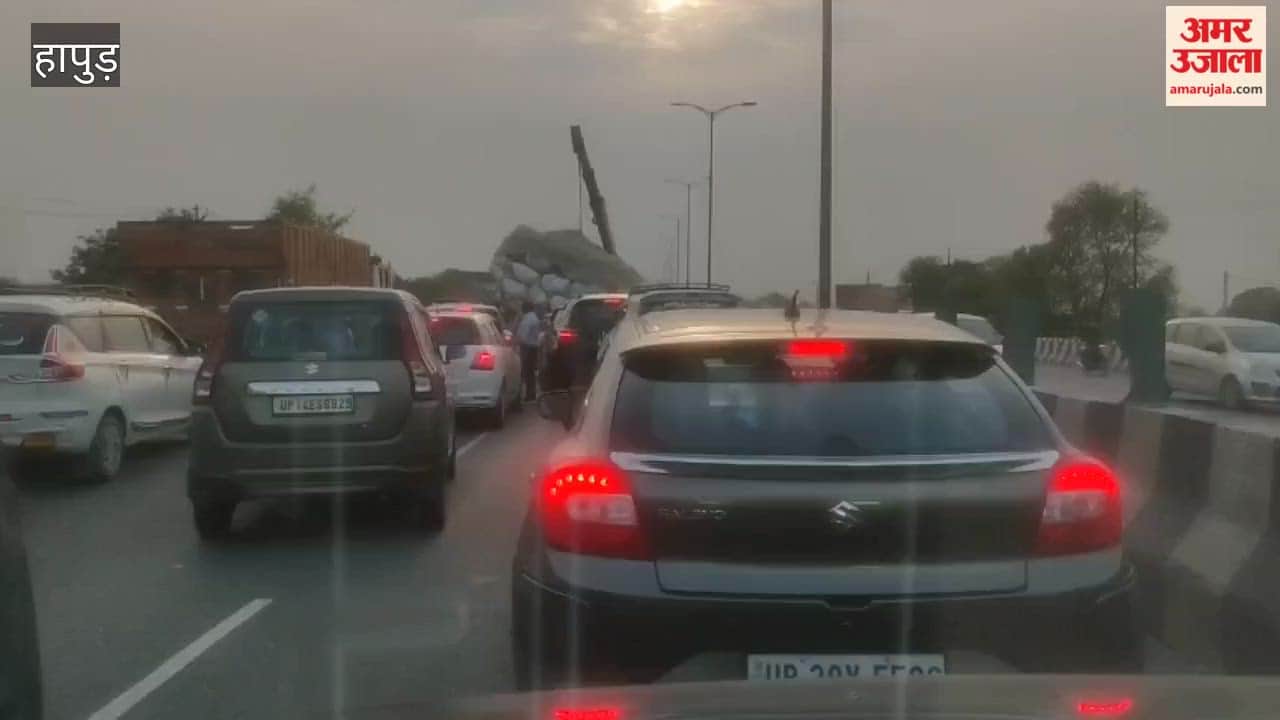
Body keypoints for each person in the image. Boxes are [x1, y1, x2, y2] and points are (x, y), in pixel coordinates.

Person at [515, 302, 542, 402]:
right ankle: (531, 394)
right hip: (533, 348)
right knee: (530, 373)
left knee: (525, 372)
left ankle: (526, 395)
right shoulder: (534, 318)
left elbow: (522, 336)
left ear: (524, 309)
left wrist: (515, 343)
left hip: (527, 348)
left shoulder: (527, 319)